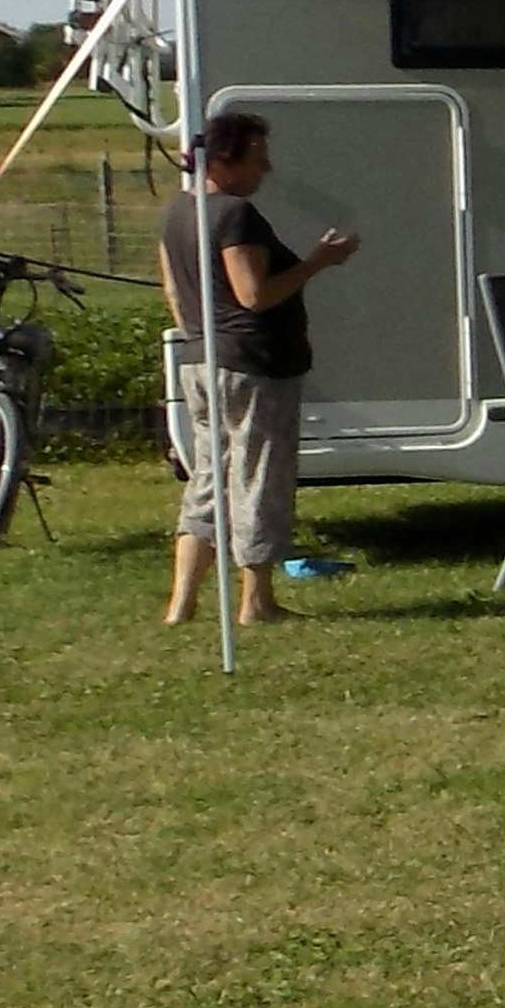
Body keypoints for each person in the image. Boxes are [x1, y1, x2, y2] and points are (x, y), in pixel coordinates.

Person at [158, 109, 354, 626]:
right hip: (254, 365)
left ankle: (181, 604)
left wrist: (202, 339)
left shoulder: (176, 211)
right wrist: (317, 262)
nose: (264, 171)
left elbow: (175, 296)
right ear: (225, 159)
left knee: (208, 478)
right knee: (258, 477)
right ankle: (256, 602)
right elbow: (254, 295)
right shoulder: (234, 215)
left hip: (202, 361)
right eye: (257, 160)